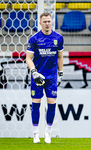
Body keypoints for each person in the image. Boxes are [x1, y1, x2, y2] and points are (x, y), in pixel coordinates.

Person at [26, 12, 64, 144]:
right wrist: (34, 72)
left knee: (52, 103)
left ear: (52, 22)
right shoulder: (34, 39)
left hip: (52, 77)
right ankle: (35, 134)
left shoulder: (58, 38)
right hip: (37, 76)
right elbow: (28, 58)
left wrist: (60, 74)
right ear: (40, 23)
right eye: (44, 21)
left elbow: (60, 57)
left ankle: (48, 133)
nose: (47, 24)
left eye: (49, 21)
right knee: (36, 102)